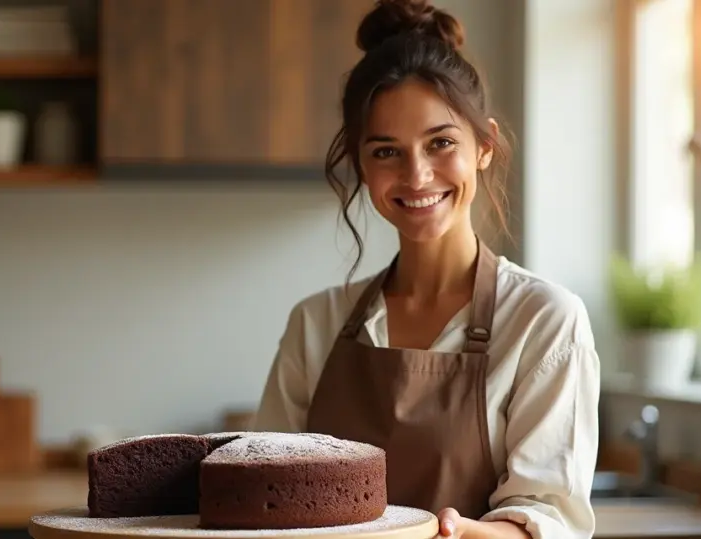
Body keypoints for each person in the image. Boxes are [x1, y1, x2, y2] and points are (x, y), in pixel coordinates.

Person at [250, 1, 600, 538]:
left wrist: (461, 533)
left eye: (441, 143)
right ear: (361, 165)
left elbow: (548, 522)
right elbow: (264, 499)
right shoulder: (315, 324)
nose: (416, 176)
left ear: (484, 145)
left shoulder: (543, 321)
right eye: (386, 151)